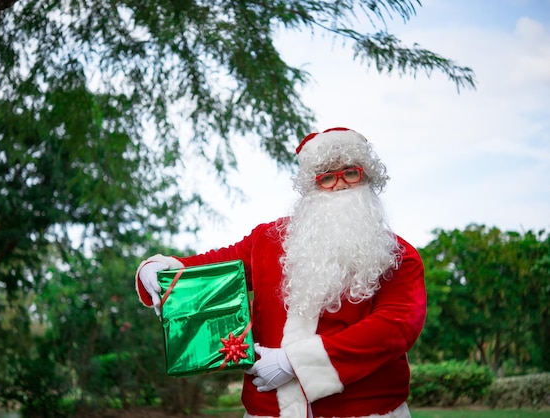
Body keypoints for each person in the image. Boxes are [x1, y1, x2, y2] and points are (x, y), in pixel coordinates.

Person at [136, 127, 426, 418]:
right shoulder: (267, 239)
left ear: (366, 177)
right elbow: (216, 267)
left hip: (363, 410)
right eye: (326, 177)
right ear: (311, 187)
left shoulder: (398, 254)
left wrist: (294, 362)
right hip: (269, 409)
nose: (339, 185)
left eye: (350, 173)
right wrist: (160, 269)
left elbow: (394, 327)